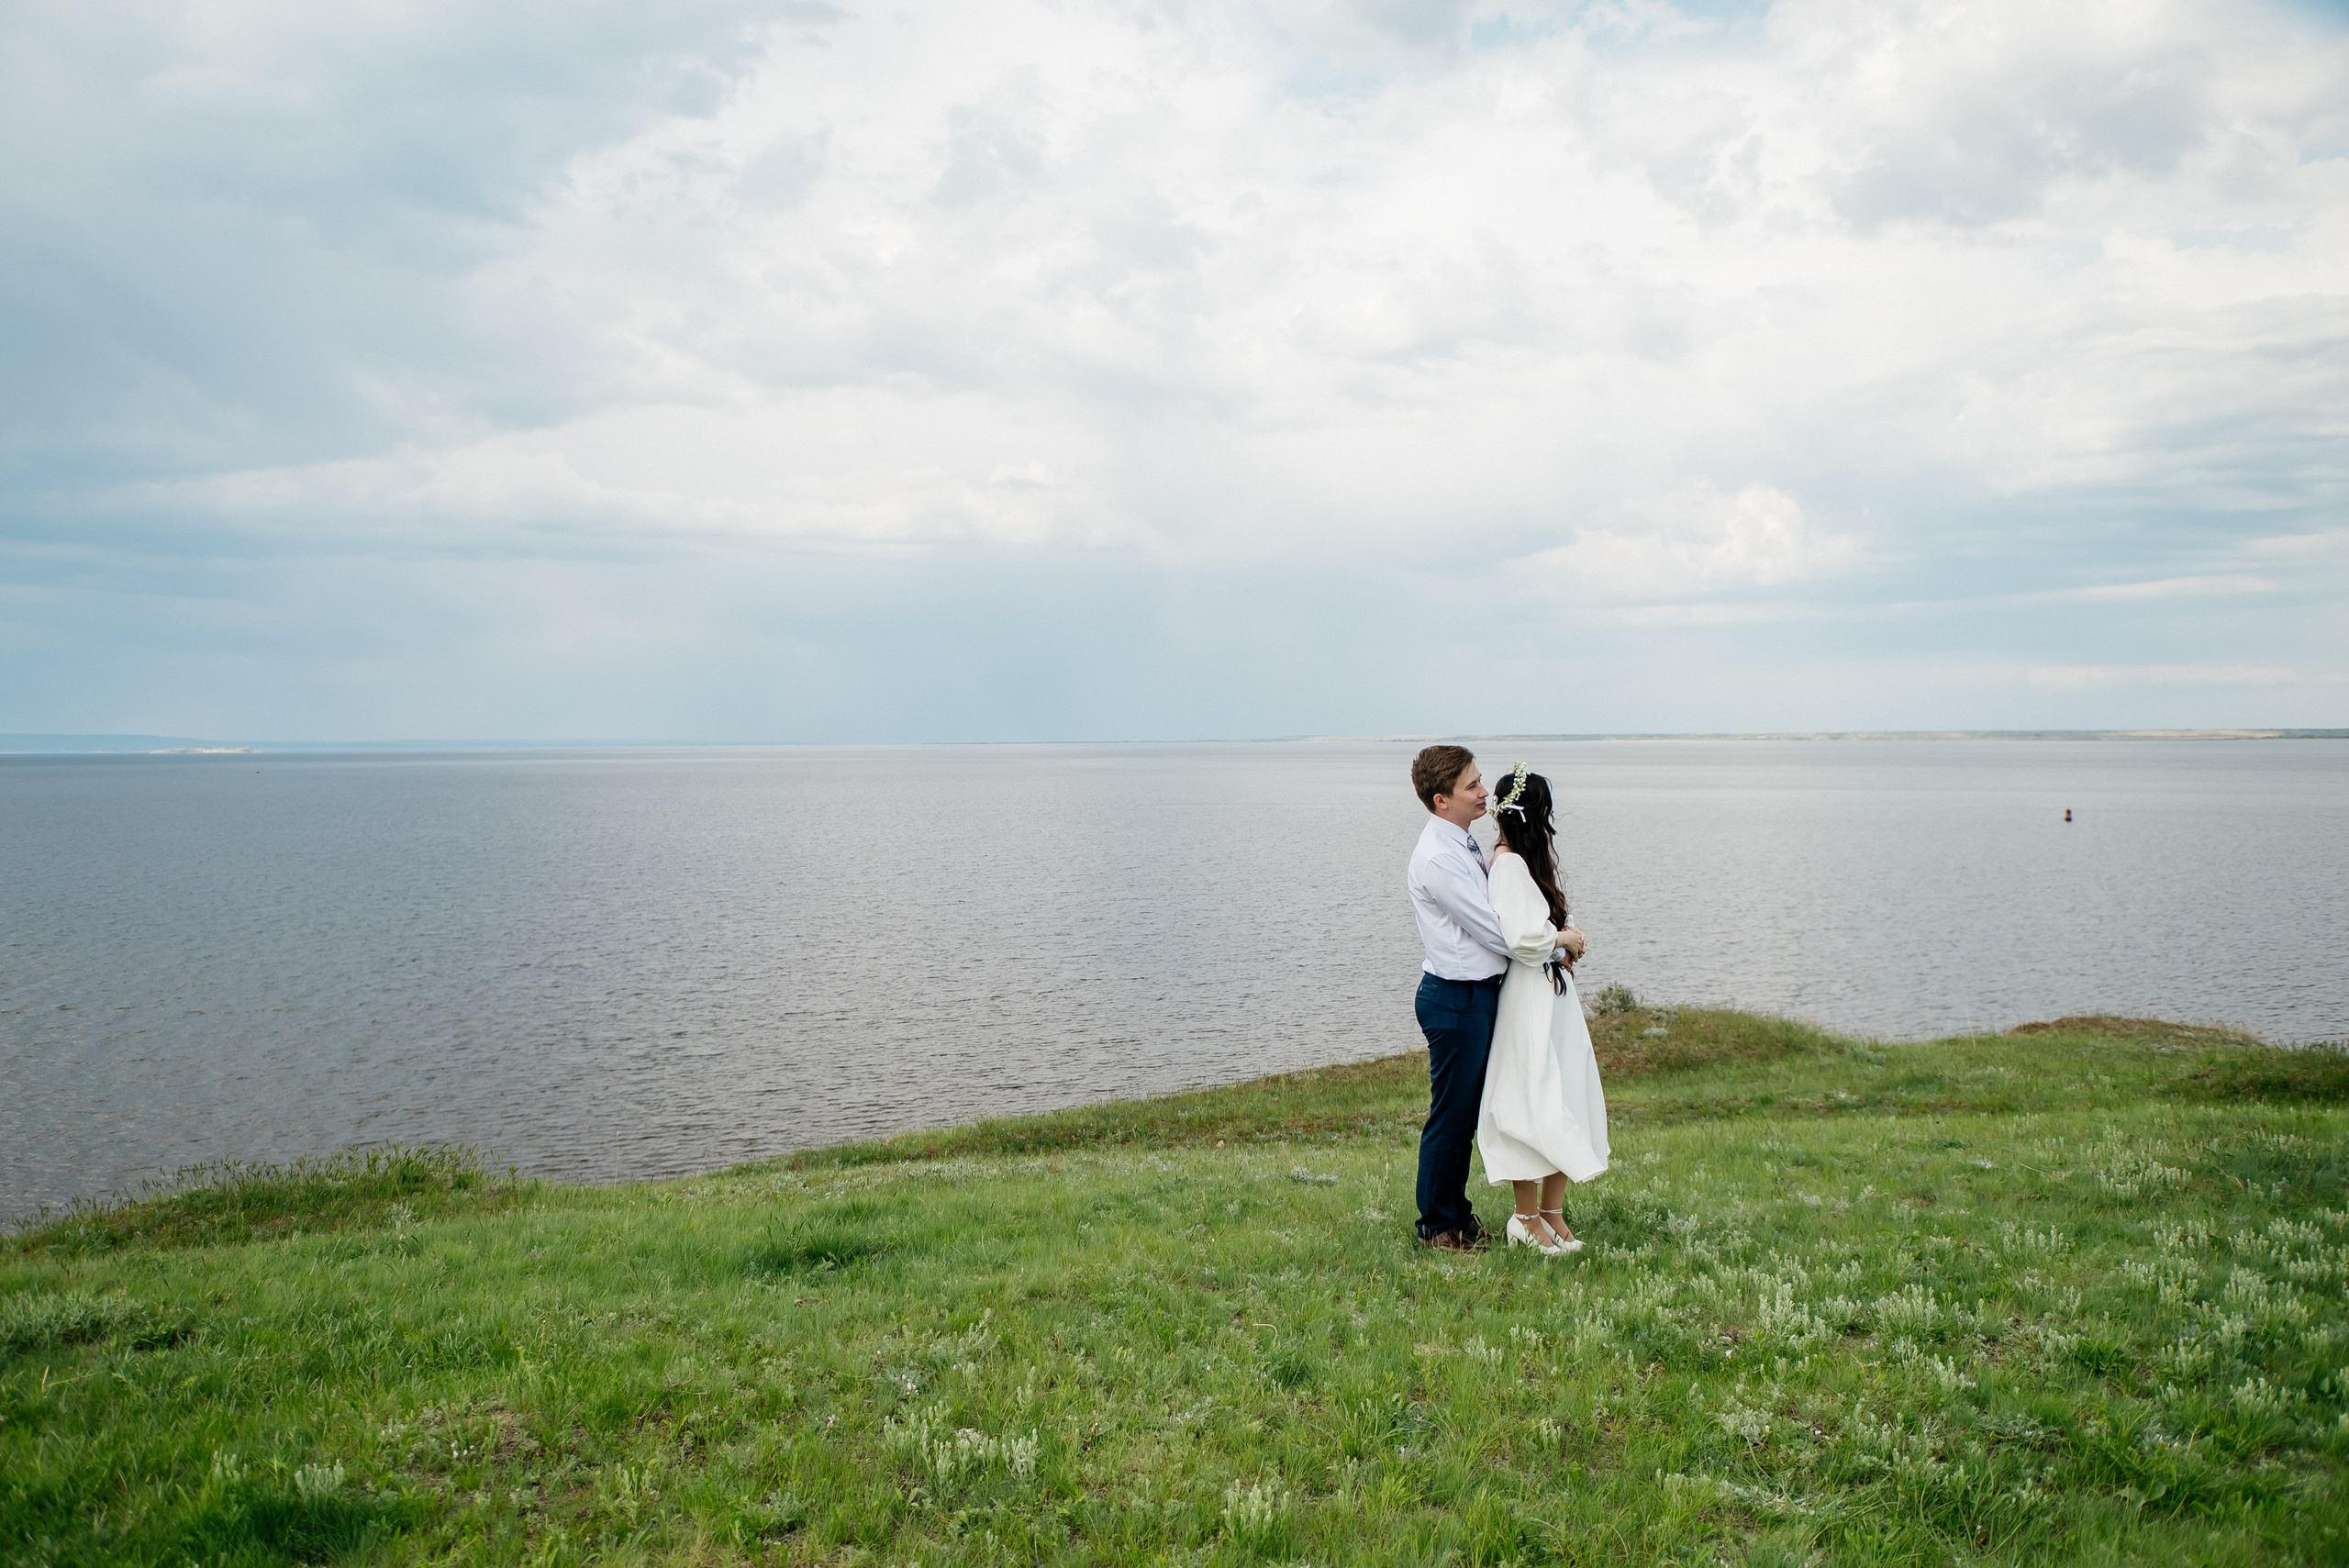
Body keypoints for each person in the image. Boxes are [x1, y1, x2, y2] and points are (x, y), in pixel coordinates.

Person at [1476, 764, 1609, 1255]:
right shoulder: (1509, 866)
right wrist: (1561, 940)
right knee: (1534, 1098)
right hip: (1529, 998)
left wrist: (1565, 944)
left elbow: (1546, 931)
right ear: (1536, 814)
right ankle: (1525, 1217)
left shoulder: (1528, 864)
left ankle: (1552, 1212)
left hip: (1552, 997)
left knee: (1565, 1092)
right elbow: (1522, 940)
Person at [1405, 744, 1510, 1251]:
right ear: (1441, 800)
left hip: (1473, 996)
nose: (1484, 791)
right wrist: (1552, 949)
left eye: (1480, 779)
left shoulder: (1462, 843)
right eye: (1472, 785)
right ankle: (1435, 1225)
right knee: (1450, 1115)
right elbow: (1492, 931)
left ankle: (1457, 1215)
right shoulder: (1439, 858)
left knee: (1465, 1113)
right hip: (1456, 998)